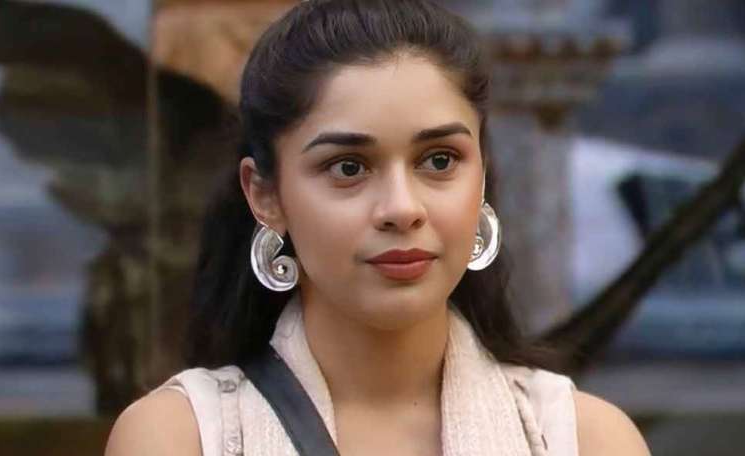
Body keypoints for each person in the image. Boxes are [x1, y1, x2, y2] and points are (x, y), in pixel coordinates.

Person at [105, 1, 650, 455]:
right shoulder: (182, 438)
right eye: (349, 167)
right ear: (265, 195)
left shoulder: (582, 439)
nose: (402, 208)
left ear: (482, 175)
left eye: (439, 160)